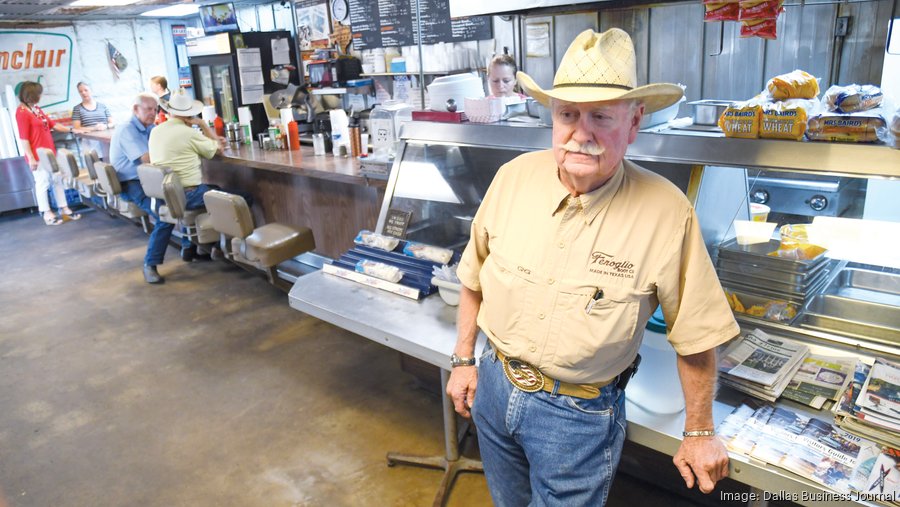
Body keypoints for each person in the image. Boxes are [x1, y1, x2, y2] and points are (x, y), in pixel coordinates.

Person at [446, 28, 739, 506]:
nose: (581, 133)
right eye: (568, 115)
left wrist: (700, 430)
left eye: (601, 116)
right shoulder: (512, 179)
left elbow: (696, 334)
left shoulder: (667, 213)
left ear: (634, 122)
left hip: (578, 416)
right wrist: (462, 360)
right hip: (494, 387)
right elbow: (472, 278)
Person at [147, 89, 240, 283]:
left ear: (170, 111)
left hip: (163, 193)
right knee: (239, 199)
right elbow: (218, 148)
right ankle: (222, 249)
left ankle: (159, 261)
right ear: (190, 114)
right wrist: (204, 125)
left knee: (168, 218)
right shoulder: (188, 133)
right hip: (189, 194)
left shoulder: (156, 130)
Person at [109, 92, 175, 284]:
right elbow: (147, 159)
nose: (153, 113)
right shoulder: (127, 130)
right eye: (148, 109)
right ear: (135, 109)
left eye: (155, 109)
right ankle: (150, 265)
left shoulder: (149, 128)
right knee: (165, 213)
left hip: (149, 179)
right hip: (132, 183)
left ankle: (189, 247)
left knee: (180, 199)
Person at [15, 81, 82, 226]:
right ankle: (46, 213)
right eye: (38, 93)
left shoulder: (36, 109)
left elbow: (53, 125)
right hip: (37, 155)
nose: (40, 96)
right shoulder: (21, 113)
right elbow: (23, 138)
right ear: (31, 95)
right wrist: (31, 158)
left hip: (49, 152)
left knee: (57, 180)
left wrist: (71, 130)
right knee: (43, 183)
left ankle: (64, 208)